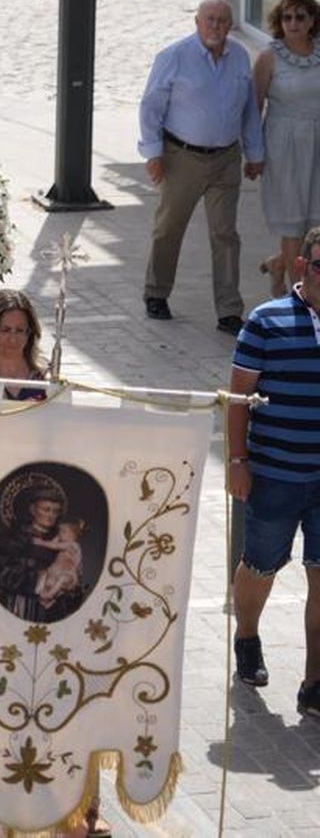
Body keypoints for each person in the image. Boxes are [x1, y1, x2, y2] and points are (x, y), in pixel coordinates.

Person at [228, 223, 320, 713]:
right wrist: (237, 461)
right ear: (303, 266)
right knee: (261, 566)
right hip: (275, 474)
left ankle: (314, 681)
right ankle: (247, 637)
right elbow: (239, 397)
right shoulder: (266, 321)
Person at [139, 0, 264, 334]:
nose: (216, 27)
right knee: (169, 227)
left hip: (226, 158)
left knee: (225, 234)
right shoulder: (174, 57)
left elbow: (249, 109)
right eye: (210, 20)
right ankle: (156, 292)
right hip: (182, 156)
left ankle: (228, 310)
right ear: (197, 22)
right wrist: (153, 153)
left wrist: (255, 153)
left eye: (223, 21)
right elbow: (151, 107)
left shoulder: (239, 57)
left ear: (230, 24)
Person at [255, 0, 320, 297]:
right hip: (283, 146)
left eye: (300, 17)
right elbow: (254, 108)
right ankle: (300, 298)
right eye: (287, 17)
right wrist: (253, 154)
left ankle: (279, 262)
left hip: (317, 142)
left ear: (312, 21)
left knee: (316, 224)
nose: (293, 23)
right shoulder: (269, 57)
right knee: (293, 225)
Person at [0, 477, 88, 622]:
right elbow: (2, 573)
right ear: (33, 509)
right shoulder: (12, 539)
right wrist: (39, 577)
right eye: (46, 509)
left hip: (53, 613)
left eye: (55, 511)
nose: (51, 515)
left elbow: (73, 575)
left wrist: (70, 588)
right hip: (20, 607)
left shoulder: (63, 541)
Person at [0, 289, 48, 400]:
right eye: (5, 330)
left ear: (29, 333)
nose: (13, 340)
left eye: (20, 330)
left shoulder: (45, 377)